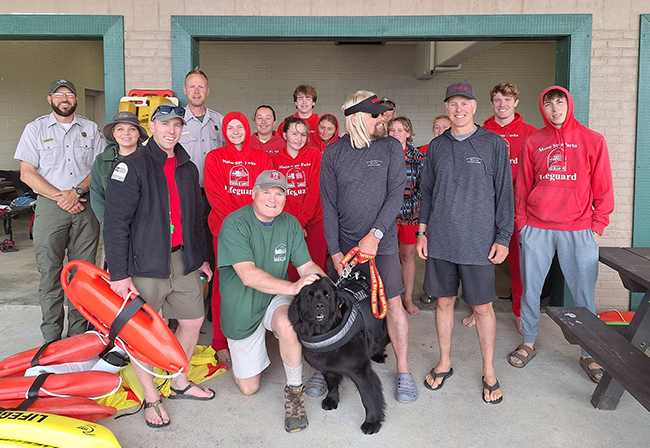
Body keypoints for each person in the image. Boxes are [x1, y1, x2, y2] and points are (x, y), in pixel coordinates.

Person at [104, 104, 215, 428]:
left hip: (182, 258)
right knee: (142, 334)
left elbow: (196, 218)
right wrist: (120, 274)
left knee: (193, 319)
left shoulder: (187, 167)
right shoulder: (132, 165)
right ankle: (152, 397)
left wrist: (202, 258)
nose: (171, 130)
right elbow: (115, 224)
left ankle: (179, 381)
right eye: (165, 124)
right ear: (151, 126)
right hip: (144, 263)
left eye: (177, 125)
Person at [508, 86, 614, 383]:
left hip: (579, 229)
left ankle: (589, 352)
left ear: (569, 105)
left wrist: (597, 227)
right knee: (531, 288)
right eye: (549, 104)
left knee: (583, 294)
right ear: (542, 108)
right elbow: (523, 187)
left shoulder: (593, 140)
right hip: (537, 229)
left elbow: (603, 186)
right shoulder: (534, 142)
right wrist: (523, 224)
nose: (555, 109)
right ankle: (528, 341)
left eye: (560, 102)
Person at [416, 82, 513, 404]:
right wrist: (422, 231)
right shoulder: (437, 146)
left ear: (474, 107)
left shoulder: (494, 144)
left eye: (464, 103)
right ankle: (445, 362)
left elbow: (505, 196)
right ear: (446, 108)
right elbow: (426, 192)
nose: (459, 110)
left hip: (478, 243)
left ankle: (488, 371)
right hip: (441, 241)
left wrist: (503, 237)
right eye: (453, 104)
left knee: (483, 308)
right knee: (444, 303)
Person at [320, 90, 418, 404]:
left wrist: (374, 235)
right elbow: (329, 206)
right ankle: (325, 368)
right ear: (358, 118)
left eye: (384, 114)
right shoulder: (334, 153)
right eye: (376, 115)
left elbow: (395, 196)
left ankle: (403, 369)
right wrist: (335, 252)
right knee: (333, 308)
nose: (383, 119)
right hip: (345, 247)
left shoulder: (390, 147)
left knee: (393, 305)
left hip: (383, 244)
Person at [218, 170, 325, 433]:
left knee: (288, 324)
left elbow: (307, 265)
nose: (273, 198)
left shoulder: (289, 223)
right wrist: (293, 286)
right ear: (253, 193)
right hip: (242, 305)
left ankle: (294, 392)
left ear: (285, 198)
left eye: (279, 193)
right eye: (266, 191)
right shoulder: (235, 223)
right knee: (249, 388)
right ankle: (249, 350)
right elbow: (248, 275)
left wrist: (331, 289)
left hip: (274, 298)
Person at [14, 79, 103, 343]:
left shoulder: (90, 128)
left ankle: (78, 335)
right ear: (50, 99)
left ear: (76, 99)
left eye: (69, 94)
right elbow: (26, 173)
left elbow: (98, 169)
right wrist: (61, 197)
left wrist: (75, 193)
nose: (64, 98)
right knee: (50, 272)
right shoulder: (35, 129)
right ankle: (51, 336)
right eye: (59, 94)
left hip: (84, 206)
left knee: (82, 275)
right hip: (51, 209)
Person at [461, 82, 537, 334]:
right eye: (497, 100)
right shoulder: (479, 132)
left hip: (516, 210)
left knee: (518, 264)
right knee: (479, 263)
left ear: (516, 102)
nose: (502, 104)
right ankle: (478, 308)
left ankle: (519, 312)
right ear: (491, 103)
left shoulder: (530, 133)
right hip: (482, 209)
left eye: (507, 100)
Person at [204, 112, 273, 364]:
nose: (235, 131)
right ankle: (220, 341)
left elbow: (267, 193)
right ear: (224, 131)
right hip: (225, 233)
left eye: (239, 127)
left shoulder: (262, 158)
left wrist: (255, 225)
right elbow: (215, 195)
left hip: (258, 230)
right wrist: (239, 226)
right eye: (230, 127)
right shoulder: (215, 158)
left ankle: (255, 335)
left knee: (257, 284)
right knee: (225, 287)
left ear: (247, 128)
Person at [179, 68, 225, 345]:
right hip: (186, 194)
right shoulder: (175, 121)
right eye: (192, 87)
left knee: (213, 248)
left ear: (207, 91)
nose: (197, 91)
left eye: (201, 87)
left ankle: (211, 309)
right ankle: (185, 307)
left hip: (214, 195)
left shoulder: (220, 122)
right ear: (185, 90)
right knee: (187, 248)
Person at [271, 116, 327, 278]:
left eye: (303, 135)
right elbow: (277, 193)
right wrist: (294, 223)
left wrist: (301, 221)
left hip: (314, 223)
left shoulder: (315, 155)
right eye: (294, 134)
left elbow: (314, 191)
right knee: (289, 271)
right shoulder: (275, 160)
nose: (299, 138)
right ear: (284, 135)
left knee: (315, 270)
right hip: (285, 223)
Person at [389, 116, 425, 316]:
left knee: (407, 256)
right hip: (387, 215)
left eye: (400, 130)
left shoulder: (417, 157)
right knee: (388, 257)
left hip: (410, 213)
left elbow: (423, 188)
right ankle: (388, 297)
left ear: (408, 133)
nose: (395, 134)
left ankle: (408, 298)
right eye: (392, 130)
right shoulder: (384, 154)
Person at [89, 111, 148, 226]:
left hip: (146, 228)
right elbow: (97, 196)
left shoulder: (151, 160)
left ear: (139, 134)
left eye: (132, 129)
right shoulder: (101, 161)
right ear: (113, 134)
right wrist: (109, 224)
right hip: (113, 227)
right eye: (120, 129)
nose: (126, 133)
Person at [419, 114, 451, 306]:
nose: (440, 131)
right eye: (436, 127)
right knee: (428, 251)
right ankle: (430, 289)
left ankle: (449, 292)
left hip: (450, 211)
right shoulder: (425, 150)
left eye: (444, 127)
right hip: (429, 207)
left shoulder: (455, 149)